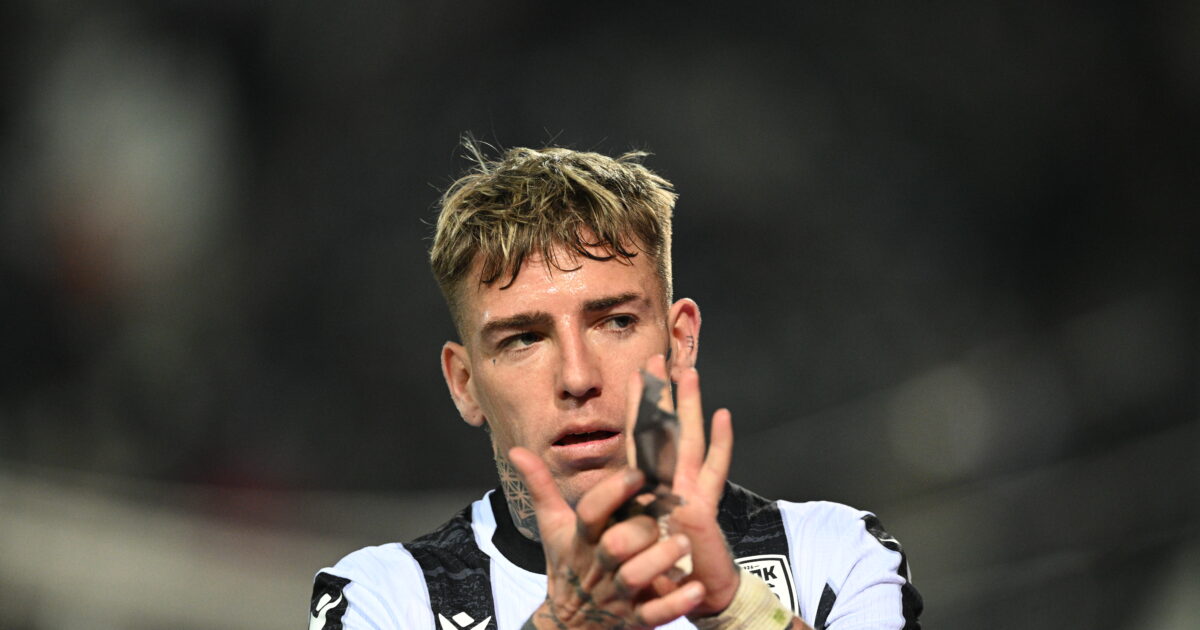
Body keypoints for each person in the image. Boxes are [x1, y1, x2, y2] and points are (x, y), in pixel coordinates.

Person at [309, 143, 923, 629]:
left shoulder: (830, 554)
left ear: (680, 341)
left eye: (616, 322)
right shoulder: (388, 598)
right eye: (524, 338)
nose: (578, 378)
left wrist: (740, 614)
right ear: (464, 384)